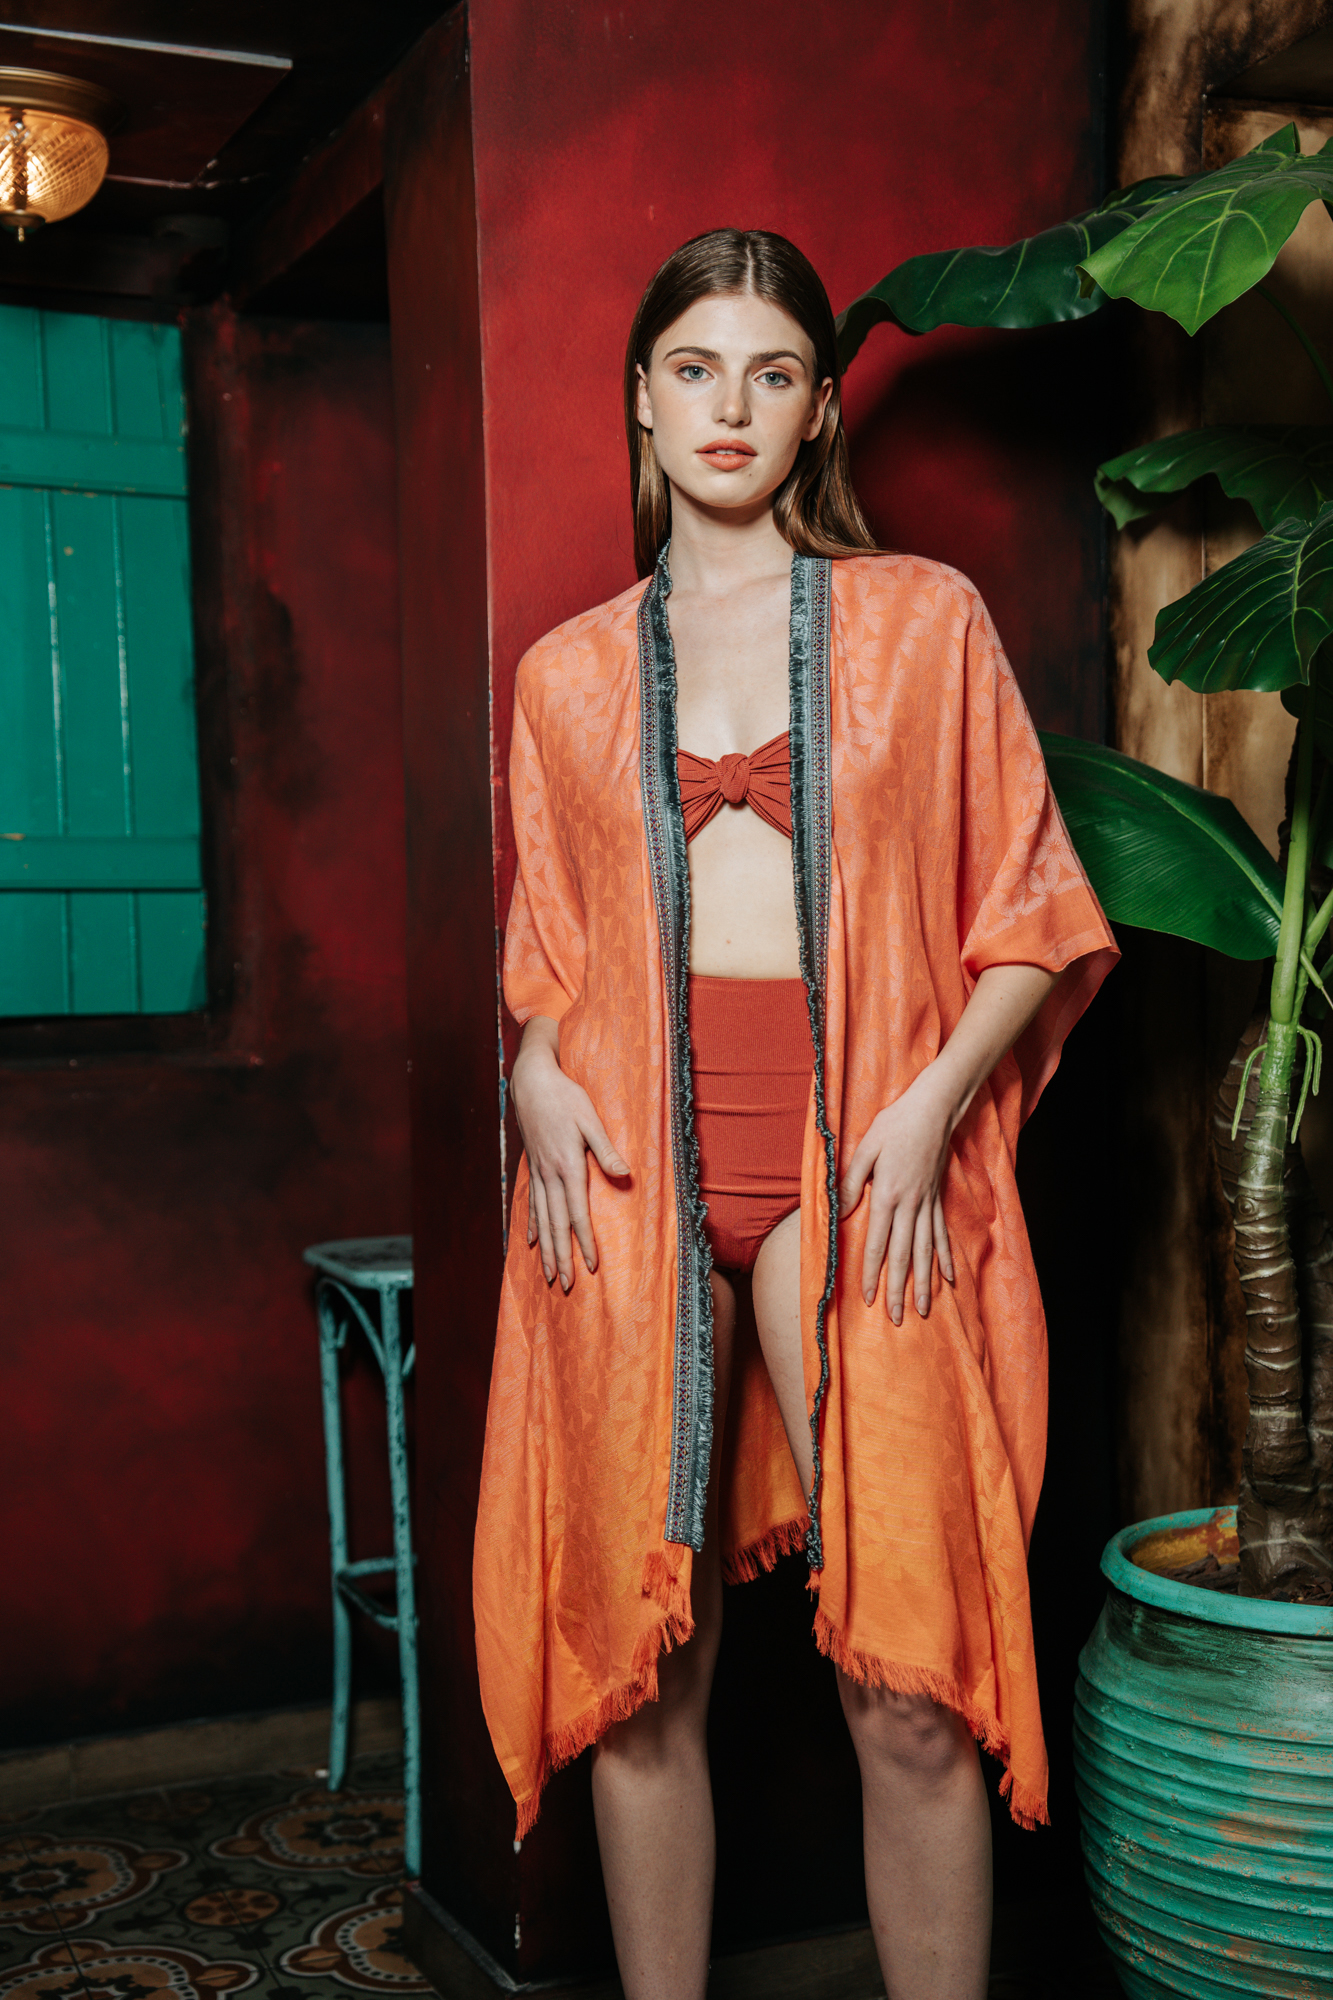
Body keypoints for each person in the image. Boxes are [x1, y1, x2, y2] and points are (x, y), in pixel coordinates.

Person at [473, 228, 1117, 2000]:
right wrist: (530, 1067)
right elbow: (548, 954)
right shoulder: (565, 674)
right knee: (642, 1682)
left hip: (862, 1164)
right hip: (623, 1175)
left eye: (770, 374)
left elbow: (1033, 906)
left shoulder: (922, 622)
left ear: (821, 406)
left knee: (903, 1690)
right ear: (640, 398)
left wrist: (929, 1109)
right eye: (694, 369)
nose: (729, 408)